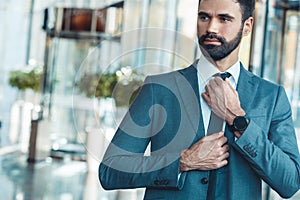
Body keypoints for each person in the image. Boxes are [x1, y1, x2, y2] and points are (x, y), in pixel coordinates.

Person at [99, 0, 300, 199]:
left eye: (224, 19)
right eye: (204, 17)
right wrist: (183, 161)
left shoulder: (271, 97)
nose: (211, 27)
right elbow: (110, 171)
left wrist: (238, 120)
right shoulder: (158, 88)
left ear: (246, 26)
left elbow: (290, 183)